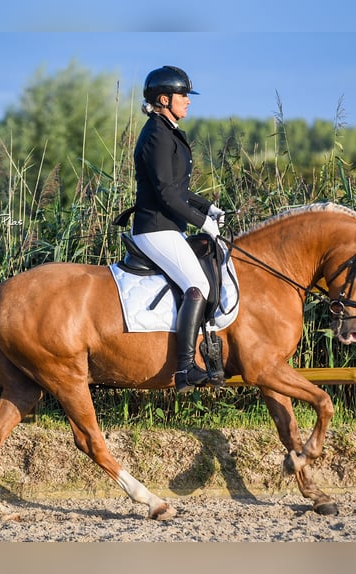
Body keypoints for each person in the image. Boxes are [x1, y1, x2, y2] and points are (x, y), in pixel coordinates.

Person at [130, 65, 226, 393]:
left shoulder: (167, 131)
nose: (188, 101)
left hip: (168, 228)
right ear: (164, 99)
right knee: (197, 284)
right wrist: (204, 224)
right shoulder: (156, 135)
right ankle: (186, 368)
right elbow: (166, 194)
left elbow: (178, 189)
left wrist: (206, 207)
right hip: (155, 229)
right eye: (183, 95)